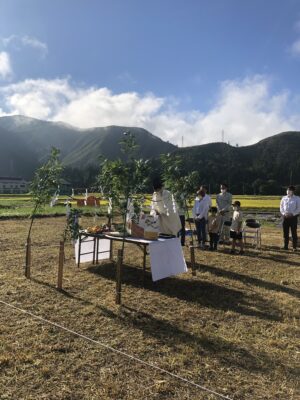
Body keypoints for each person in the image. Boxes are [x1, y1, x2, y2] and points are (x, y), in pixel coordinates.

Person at [280, 185, 300, 251]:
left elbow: (298, 208)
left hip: (293, 218)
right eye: (287, 190)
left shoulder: (297, 198)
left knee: (294, 232)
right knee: (285, 232)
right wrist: (283, 214)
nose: (288, 191)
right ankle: (285, 246)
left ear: (293, 191)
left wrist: (292, 214)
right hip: (285, 217)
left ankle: (294, 247)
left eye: (289, 190)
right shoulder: (283, 198)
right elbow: (281, 207)